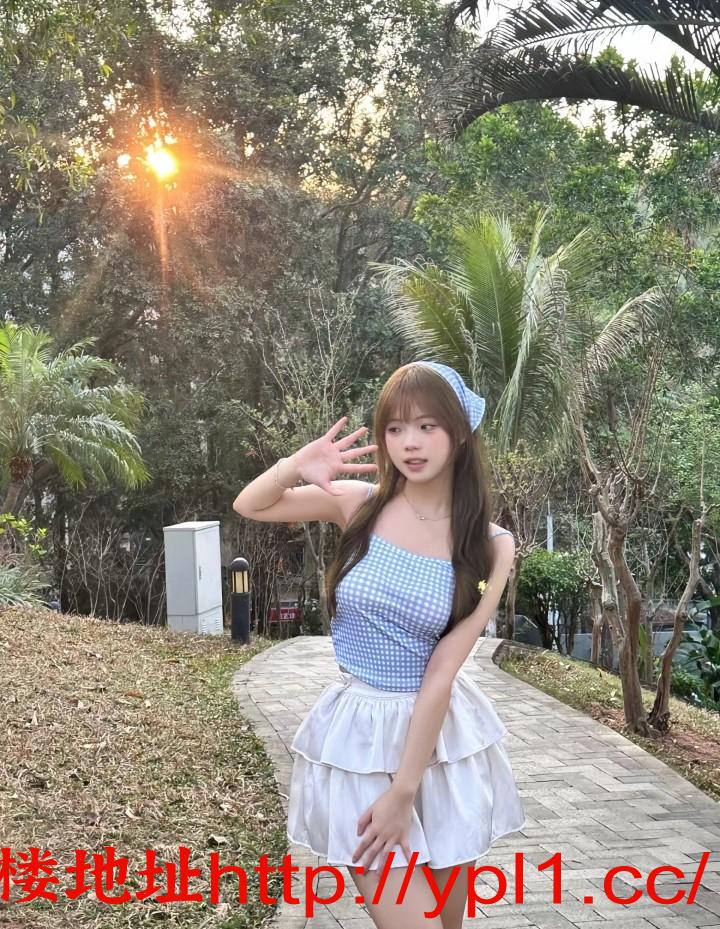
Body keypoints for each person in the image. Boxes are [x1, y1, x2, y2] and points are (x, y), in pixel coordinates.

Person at [233, 361, 525, 929]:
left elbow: (442, 672)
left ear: (460, 432)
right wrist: (295, 465)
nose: (409, 443)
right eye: (395, 428)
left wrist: (405, 790)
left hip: (440, 746)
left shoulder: (490, 547)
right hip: (361, 737)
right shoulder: (359, 504)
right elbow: (252, 504)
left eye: (427, 426)